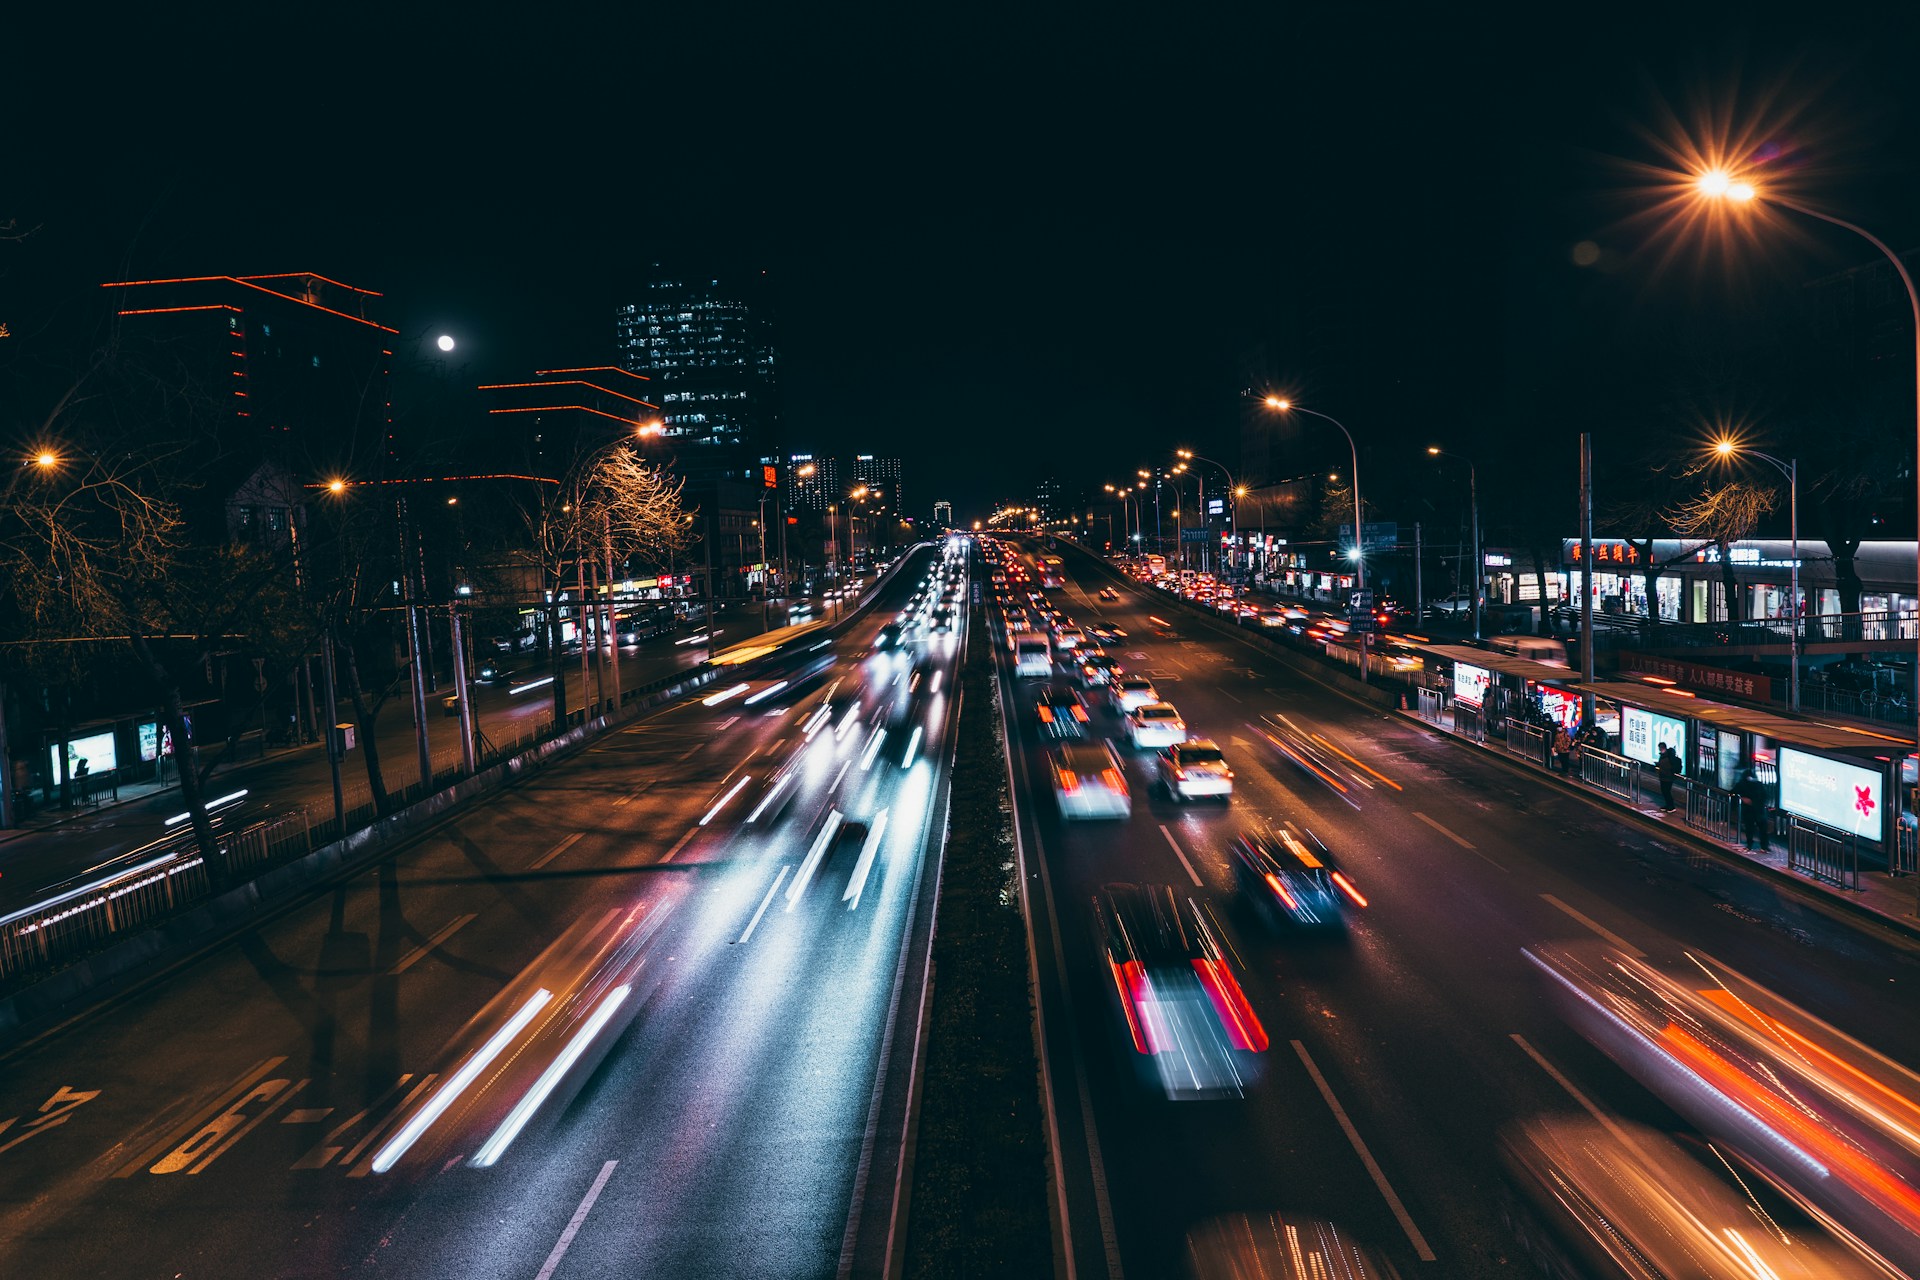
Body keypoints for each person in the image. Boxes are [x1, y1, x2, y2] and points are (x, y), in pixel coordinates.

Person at [1735, 768, 1768, 850]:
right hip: (1759, 810)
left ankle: (1750, 845)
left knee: (1749, 828)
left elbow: (1732, 793)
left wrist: (1742, 799)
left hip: (1748, 810)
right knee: (1762, 829)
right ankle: (1764, 846)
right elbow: (1765, 796)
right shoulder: (1758, 784)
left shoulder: (1741, 784)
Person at [1655, 743, 1681, 811]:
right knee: (1665, 792)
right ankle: (1668, 805)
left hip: (1667, 777)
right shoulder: (1664, 755)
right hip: (1664, 777)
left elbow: (1666, 766)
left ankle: (1671, 806)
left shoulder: (1667, 756)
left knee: (1667, 792)